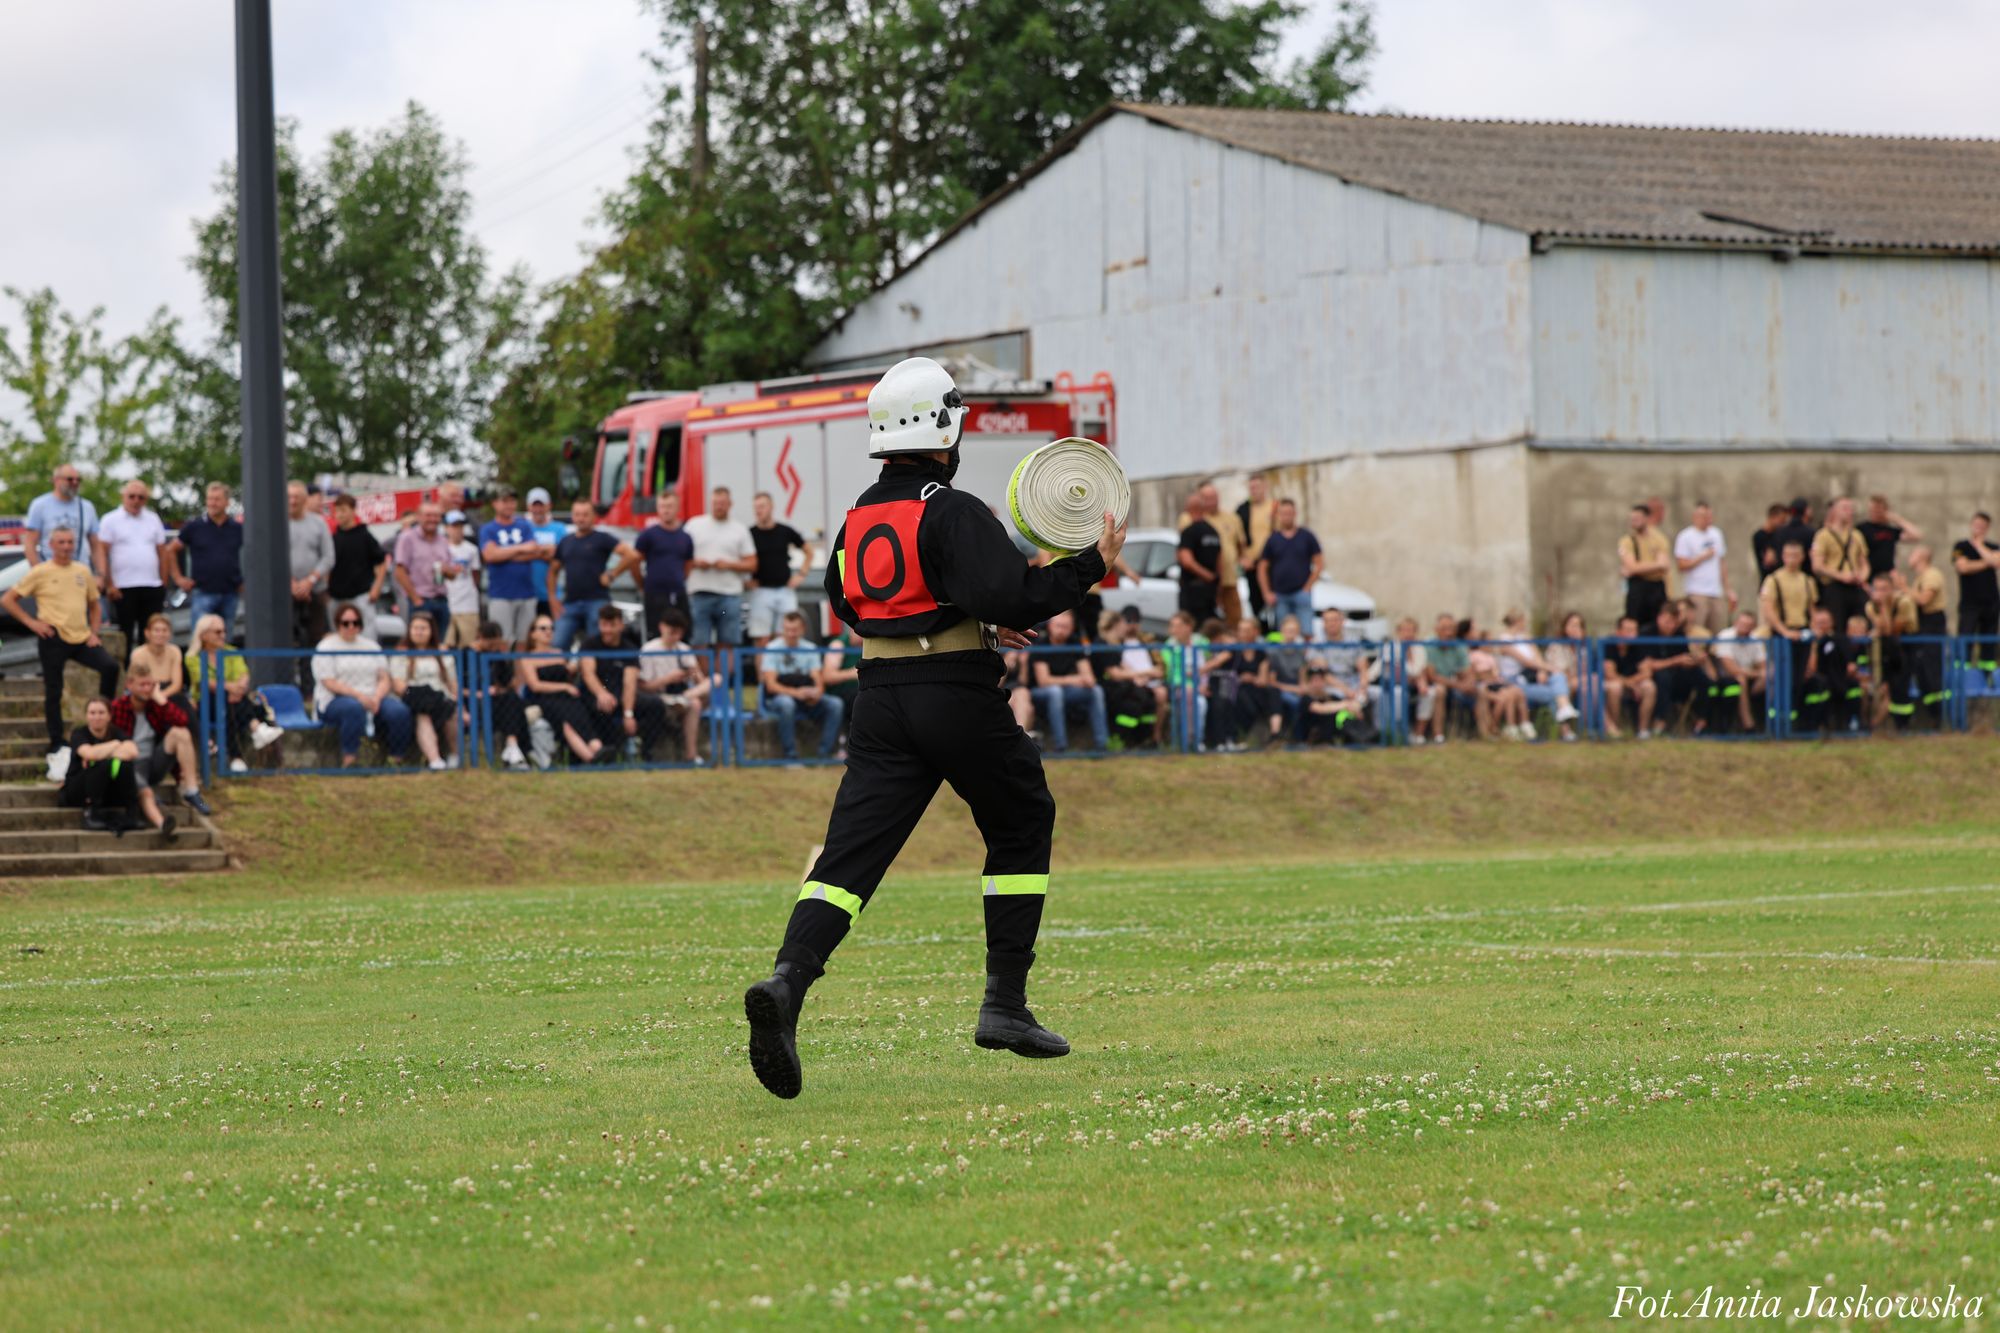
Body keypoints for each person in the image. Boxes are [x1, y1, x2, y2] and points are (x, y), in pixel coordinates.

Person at [743, 355, 1123, 1100]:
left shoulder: (858, 514)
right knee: (1022, 820)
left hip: (879, 699)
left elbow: (848, 603)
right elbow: (1011, 595)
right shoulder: (952, 507)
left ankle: (788, 981)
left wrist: (958, 613)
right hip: (954, 692)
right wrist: (1088, 566)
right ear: (945, 430)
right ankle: (1004, 1005)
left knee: (849, 859)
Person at [1, 526, 120, 782]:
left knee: (110, 667)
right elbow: (8, 599)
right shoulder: (41, 572)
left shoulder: (82, 570)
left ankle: (104, 724)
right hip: (52, 636)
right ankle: (56, 742)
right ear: (51, 544)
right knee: (53, 690)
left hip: (80, 636)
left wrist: (94, 631)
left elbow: (94, 604)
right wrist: (32, 623)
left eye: (70, 542)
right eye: (61, 542)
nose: (66, 546)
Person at [311, 606, 412, 767]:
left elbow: (384, 677)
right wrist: (359, 696)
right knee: (353, 708)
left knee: (399, 711)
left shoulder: (371, 646)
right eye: (346, 623)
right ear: (338, 624)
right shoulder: (326, 647)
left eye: (355, 622)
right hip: (335, 700)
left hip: (373, 697)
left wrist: (377, 698)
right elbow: (329, 682)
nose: (351, 626)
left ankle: (395, 760)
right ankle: (350, 760)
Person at [60, 697, 174, 837]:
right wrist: (114, 745)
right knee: (102, 764)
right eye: (92, 713)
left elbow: (132, 751)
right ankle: (91, 814)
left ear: (109, 716)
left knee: (124, 766)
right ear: (87, 716)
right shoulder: (79, 734)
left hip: (106, 790)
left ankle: (131, 813)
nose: (97, 717)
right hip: (79, 790)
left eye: (101, 712)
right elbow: (89, 753)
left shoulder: (116, 731)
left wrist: (100, 752)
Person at [109, 661, 211, 816]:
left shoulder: (155, 704)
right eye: (142, 685)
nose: (147, 689)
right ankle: (152, 802)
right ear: (129, 685)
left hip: (152, 763)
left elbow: (183, 720)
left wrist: (161, 699)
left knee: (180, 733)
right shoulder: (118, 707)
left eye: (150, 684)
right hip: (127, 765)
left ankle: (192, 791)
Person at [186, 612, 279, 772]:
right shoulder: (193, 657)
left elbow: (243, 675)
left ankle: (236, 757)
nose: (223, 635)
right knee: (222, 700)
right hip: (206, 703)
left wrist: (237, 689)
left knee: (229, 708)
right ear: (204, 635)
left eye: (224, 631)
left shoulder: (231, 651)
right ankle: (256, 728)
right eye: (218, 632)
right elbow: (204, 681)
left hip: (233, 702)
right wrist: (231, 688)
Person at [547, 499, 638, 653]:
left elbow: (631, 555)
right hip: (570, 603)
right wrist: (552, 598)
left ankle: (595, 676)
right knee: (557, 645)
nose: (581, 518)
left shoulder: (602, 538)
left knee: (596, 647)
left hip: (597, 601)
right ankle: (560, 676)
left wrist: (612, 574)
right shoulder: (566, 541)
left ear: (593, 516)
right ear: (573, 516)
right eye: (577, 514)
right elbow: (553, 571)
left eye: (585, 514)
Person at [514, 615, 603, 764]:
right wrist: (565, 686)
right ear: (533, 633)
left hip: (567, 697)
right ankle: (591, 757)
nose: (548, 632)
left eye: (551, 628)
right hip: (545, 699)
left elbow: (567, 674)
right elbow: (535, 685)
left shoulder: (559, 653)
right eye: (543, 628)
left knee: (581, 716)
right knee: (566, 723)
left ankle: (597, 748)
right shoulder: (527, 658)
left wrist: (574, 668)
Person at [758, 610, 845, 760]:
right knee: (787, 704)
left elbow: (818, 680)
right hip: (779, 698)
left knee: (835, 704)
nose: (791, 634)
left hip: (805, 698)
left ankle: (824, 754)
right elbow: (771, 685)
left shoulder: (810, 648)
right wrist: (797, 693)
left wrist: (817, 693)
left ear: (803, 629)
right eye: (787, 630)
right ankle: (790, 755)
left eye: (795, 630)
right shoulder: (772, 648)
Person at [97, 479, 173, 651]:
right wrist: (109, 584)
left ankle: (149, 674)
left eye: (141, 497)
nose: (136, 501)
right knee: (125, 634)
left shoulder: (153, 518)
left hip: (151, 585)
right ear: (123, 496)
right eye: (132, 496)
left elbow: (163, 552)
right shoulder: (110, 520)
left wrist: (163, 582)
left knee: (151, 634)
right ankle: (126, 674)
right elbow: (102, 553)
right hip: (123, 587)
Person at [578, 605, 660, 761]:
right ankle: (608, 753)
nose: (607, 630)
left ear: (621, 625)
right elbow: (588, 674)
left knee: (655, 705)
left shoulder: (629, 648)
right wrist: (602, 693)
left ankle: (646, 751)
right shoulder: (590, 644)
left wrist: (628, 713)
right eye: (603, 625)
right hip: (596, 695)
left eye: (612, 625)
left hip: (622, 695)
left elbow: (630, 683)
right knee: (600, 707)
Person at [685, 487, 757, 655]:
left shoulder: (739, 529)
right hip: (699, 592)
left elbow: (752, 564)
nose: (719, 506)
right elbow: (680, 556)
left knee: (728, 642)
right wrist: (696, 563)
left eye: (723, 503)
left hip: (729, 593)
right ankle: (707, 681)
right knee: (699, 641)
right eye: (716, 503)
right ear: (710, 503)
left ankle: (723, 680)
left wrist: (729, 565)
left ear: (730, 504)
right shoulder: (694, 525)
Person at [638, 607, 712, 764]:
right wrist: (668, 679)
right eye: (672, 632)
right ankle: (691, 754)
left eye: (679, 633)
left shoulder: (683, 649)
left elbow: (700, 682)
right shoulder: (649, 650)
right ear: (662, 627)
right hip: (660, 697)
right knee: (695, 703)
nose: (675, 637)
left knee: (714, 681)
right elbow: (644, 687)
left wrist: (694, 673)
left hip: (684, 695)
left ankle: (691, 755)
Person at [1028, 610, 1109, 753]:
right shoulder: (1041, 644)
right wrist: (1073, 679)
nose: (1061, 630)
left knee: (1096, 690)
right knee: (1055, 691)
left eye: (1065, 627)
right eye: (1058, 626)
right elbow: (1044, 681)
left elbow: (1089, 678)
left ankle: (1101, 745)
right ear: (1050, 625)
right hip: (1039, 692)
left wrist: (1086, 680)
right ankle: (1060, 746)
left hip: (1066, 690)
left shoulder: (1075, 642)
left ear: (1072, 628)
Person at [390, 611, 461, 770]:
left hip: (440, 697)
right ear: (409, 630)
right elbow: (398, 685)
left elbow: (452, 682)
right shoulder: (401, 652)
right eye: (415, 628)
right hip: (412, 695)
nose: (419, 632)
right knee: (423, 713)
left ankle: (456, 755)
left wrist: (461, 704)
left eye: (424, 628)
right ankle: (434, 759)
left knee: (452, 710)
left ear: (432, 631)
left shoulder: (442, 652)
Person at [1495, 610, 1580, 740]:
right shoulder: (1504, 640)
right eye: (1524, 620)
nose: (1526, 623)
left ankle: (1564, 711)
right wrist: (1551, 668)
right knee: (1556, 693)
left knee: (1558, 679)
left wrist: (1543, 671)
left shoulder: (1525, 637)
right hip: (1515, 683)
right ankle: (1566, 730)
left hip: (1532, 678)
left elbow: (1538, 660)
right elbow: (1527, 662)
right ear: (1518, 621)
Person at [170, 482, 244, 631]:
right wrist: (178, 578)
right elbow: (171, 549)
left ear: (227, 502)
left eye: (217, 499)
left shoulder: (237, 528)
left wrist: (245, 581)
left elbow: (251, 555)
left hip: (230, 592)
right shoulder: (195, 527)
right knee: (200, 638)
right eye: (210, 499)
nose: (212, 503)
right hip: (202, 592)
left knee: (224, 639)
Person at [477, 486, 541, 649]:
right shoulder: (488, 529)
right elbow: (490, 556)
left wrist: (503, 553)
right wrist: (520, 548)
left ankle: (520, 675)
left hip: (526, 593)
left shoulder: (524, 526)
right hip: (501, 594)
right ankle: (506, 674)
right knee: (502, 641)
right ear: (495, 504)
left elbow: (534, 551)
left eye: (512, 501)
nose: (509, 505)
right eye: (504, 501)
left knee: (524, 641)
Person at [747, 492, 812, 647]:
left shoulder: (784, 531)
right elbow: (741, 558)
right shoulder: (750, 534)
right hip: (761, 590)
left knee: (785, 636)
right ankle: (762, 672)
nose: (759, 511)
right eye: (756, 508)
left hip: (785, 590)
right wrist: (745, 581)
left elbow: (809, 551)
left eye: (762, 506)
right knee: (761, 638)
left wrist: (802, 574)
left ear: (771, 507)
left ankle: (782, 671)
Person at [1760, 538, 1817, 713]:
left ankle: (1793, 717)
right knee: (1781, 677)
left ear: (1802, 557)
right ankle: (1776, 718)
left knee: (1799, 678)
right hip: (1781, 634)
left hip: (1802, 632)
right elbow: (1768, 609)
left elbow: (1812, 612)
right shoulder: (1773, 579)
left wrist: (1813, 643)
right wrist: (1784, 631)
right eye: (1788, 555)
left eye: (1795, 555)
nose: (1791, 559)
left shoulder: (1807, 581)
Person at [1095, 611, 1168, 747]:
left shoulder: (1116, 645)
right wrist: (1147, 671)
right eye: (1124, 623)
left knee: (1149, 698)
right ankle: (1119, 739)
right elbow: (1114, 674)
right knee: (1133, 705)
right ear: (1116, 625)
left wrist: (1140, 677)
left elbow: (1125, 667)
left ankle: (1146, 739)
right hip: (1107, 689)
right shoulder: (1102, 644)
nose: (1126, 628)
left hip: (1120, 687)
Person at [632, 489, 695, 642]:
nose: (666, 510)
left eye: (669, 506)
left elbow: (688, 564)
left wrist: (679, 579)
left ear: (677, 508)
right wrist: (642, 584)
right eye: (662, 506)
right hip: (654, 593)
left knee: (683, 633)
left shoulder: (685, 537)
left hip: (678, 592)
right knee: (656, 634)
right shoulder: (648, 535)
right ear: (657, 509)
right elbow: (634, 561)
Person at [324, 493, 388, 640]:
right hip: (335, 596)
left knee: (367, 635)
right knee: (337, 637)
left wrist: (376, 589)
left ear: (353, 510)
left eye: (343, 510)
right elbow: (327, 567)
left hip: (361, 595)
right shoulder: (333, 538)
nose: (339, 515)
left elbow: (382, 561)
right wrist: (326, 590)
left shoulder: (364, 535)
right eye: (337, 511)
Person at [471, 621, 533, 770]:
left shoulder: (497, 655)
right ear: (480, 637)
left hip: (498, 698)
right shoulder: (467, 654)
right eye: (490, 644)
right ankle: (521, 752)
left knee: (512, 699)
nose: (494, 648)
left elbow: (508, 682)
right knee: (513, 703)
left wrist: (512, 669)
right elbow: (459, 686)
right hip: (474, 700)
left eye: (496, 644)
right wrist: (479, 692)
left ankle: (512, 747)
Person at [1637, 603, 1703, 737]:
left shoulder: (1679, 634)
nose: (1671, 626)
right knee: (1663, 677)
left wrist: (1694, 660)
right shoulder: (1646, 633)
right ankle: (1659, 721)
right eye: (1667, 622)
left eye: (1674, 622)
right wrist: (1675, 661)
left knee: (1702, 678)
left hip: (1678, 676)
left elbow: (1684, 658)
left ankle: (1703, 720)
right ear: (1659, 618)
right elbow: (1647, 664)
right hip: (1656, 677)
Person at [1257, 499, 1322, 632]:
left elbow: (1319, 563)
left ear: (1295, 513)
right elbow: (1262, 568)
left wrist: (1307, 587)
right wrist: (1267, 592)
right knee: (1284, 633)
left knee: (1306, 631)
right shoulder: (1273, 539)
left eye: (1289, 513)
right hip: (1280, 595)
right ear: (1279, 515)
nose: (1286, 516)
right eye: (1283, 513)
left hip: (1301, 593)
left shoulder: (1307, 536)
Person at [392, 501, 457, 631]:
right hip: (420, 600)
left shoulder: (443, 540)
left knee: (440, 644)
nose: (432, 519)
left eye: (436, 516)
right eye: (428, 515)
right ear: (419, 516)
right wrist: (416, 599)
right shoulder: (407, 538)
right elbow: (399, 572)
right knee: (419, 646)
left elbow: (452, 574)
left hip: (441, 600)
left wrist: (447, 570)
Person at [1865, 572, 1918, 731]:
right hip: (1886, 650)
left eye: (1885, 589)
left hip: (1906, 647)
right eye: (1877, 589)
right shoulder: (1870, 605)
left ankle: (1903, 725)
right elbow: (1882, 627)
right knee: (1885, 687)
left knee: (1901, 687)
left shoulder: (1904, 602)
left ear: (1892, 588)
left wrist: (1884, 607)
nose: (1880, 593)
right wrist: (1881, 610)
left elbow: (1891, 630)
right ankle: (1879, 725)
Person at [1812, 497, 1871, 637]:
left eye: (1851, 508)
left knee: (1861, 622)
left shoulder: (1856, 535)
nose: (1849, 512)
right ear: (1834, 511)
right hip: (1835, 586)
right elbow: (1817, 565)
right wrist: (1841, 576)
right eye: (1845, 508)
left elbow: (1864, 562)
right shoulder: (1823, 535)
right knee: (1837, 624)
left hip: (1855, 585)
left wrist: (1862, 575)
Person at [1188, 483, 1247, 624]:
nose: (1211, 501)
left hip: (1229, 579)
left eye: (1214, 497)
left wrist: (1242, 561)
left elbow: (1241, 547)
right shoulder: (1191, 519)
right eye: (1206, 498)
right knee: (1210, 623)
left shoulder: (1232, 519)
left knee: (1235, 620)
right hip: (1205, 583)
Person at [22, 463, 101, 568]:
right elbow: (30, 543)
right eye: (70, 479)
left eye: (78, 479)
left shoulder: (86, 507)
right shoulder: (40, 505)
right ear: (56, 480)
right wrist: (38, 571)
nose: (75, 482)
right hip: (50, 573)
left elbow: (96, 545)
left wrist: (100, 574)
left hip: (79, 572)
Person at [1673, 502, 1735, 633]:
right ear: (1695, 517)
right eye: (1704, 516)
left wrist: (1728, 589)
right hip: (1697, 591)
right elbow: (1681, 565)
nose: (1708, 519)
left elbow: (1721, 562)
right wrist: (1702, 557)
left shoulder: (1716, 534)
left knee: (1717, 630)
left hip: (1716, 591)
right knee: (1697, 631)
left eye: (1709, 516)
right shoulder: (1686, 536)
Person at [288, 481, 334, 653]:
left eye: (297, 497)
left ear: (305, 499)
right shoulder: (277, 524)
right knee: (288, 640)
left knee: (317, 641)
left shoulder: (319, 523)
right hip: (287, 592)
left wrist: (309, 581)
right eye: (289, 497)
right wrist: (291, 583)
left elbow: (328, 557)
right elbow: (271, 555)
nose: (293, 501)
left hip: (315, 591)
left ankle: (312, 679)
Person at [1905, 546, 1949, 723]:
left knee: (1932, 671)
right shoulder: (1920, 578)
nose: (1910, 556)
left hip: (1933, 623)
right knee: (1922, 671)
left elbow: (1924, 599)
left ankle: (1941, 717)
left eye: (1913, 553)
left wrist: (1902, 587)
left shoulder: (1932, 574)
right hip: (1922, 625)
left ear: (1922, 557)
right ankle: (1933, 716)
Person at [1952, 512, 2000, 672]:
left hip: (1991, 601)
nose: (1978, 528)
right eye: (1976, 524)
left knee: (1988, 639)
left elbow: (1996, 562)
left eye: (1982, 526)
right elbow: (1962, 567)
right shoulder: (1961, 546)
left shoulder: (1992, 546)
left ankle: (1987, 674)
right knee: (1966, 636)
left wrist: (1979, 546)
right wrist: (1987, 561)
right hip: (1969, 602)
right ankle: (1962, 672)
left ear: (1986, 528)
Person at [1618, 502, 1671, 627]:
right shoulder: (1627, 541)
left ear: (1647, 518)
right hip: (1637, 589)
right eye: (1632, 519)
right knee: (1634, 624)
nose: (1634, 522)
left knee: (1656, 625)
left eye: (1637, 518)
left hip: (1656, 589)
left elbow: (1664, 565)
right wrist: (1655, 565)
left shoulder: (1659, 539)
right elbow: (1632, 567)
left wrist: (1637, 567)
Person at [1600, 616, 1653, 740]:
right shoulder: (1609, 644)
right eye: (1628, 630)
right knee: (1615, 688)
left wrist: (1632, 682)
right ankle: (1615, 730)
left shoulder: (1638, 645)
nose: (1632, 634)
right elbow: (1609, 674)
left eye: (1635, 630)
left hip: (1633, 683)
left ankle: (1643, 730)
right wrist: (1628, 683)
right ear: (1618, 631)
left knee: (1649, 686)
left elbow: (1647, 672)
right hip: (1614, 684)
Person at [1236, 474, 1278, 627]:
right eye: (1251, 487)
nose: (1254, 491)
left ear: (1265, 487)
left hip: (1271, 564)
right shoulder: (1243, 510)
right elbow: (1236, 539)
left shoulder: (1274, 507)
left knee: (1274, 603)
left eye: (1257, 487)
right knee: (1257, 603)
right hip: (1252, 565)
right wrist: (1242, 558)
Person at [1176, 491, 1223, 624]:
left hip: (1192, 592)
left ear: (1189, 509)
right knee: (1209, 629)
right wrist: (1215, 583)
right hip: (1210, 592)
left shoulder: (1188, 532)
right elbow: (1220, 564)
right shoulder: (1213, 531)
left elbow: (1187, 561)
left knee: (1191, 628)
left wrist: (1207, 576)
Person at [128, 613, 187, 715]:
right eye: (156, 630)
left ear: (169, 634)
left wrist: (161, 696)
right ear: (147, 633)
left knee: (183, 705)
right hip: (146, 691)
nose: (161, 634)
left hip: (169, 692)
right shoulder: (138, 653)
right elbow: (137, 682)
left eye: (164, 630)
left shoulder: (175, 651)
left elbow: (177, 684)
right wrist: (154, 696)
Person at [523, 487, 568, 617]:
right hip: (527, 595)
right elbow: (519, 553)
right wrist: (547, 551)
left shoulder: (559, 528)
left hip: (552, 595)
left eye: (541, 505)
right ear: (528, 507)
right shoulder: (523, 527)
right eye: (534, 506)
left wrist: (532, 550)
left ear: (549, 506)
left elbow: (561, 555)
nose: (538, 510)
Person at [441, 511, 483, 648]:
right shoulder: (441, 548)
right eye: (453, 526)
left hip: (468, 602)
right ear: (446, 528)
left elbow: (476, 573)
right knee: (447, 642)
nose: (457, 530)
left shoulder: (471, 549)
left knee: (468, 642)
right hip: (447, 600)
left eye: (460, 526)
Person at [1858, 496, 1921, 580]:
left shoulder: (1890, 530)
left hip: (1888, 576)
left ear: (1885, 510)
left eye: (1878, 509)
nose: (1875, 512)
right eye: (1872, 509)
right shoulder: (1861, 528)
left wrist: (1896, 519)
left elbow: (1917, 535)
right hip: (1868, 575)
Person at [1750, 503, 1788, 592]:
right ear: (1773, 517)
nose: (1783, 524)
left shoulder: (1780, 535)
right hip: (1767, 583)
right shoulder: (1759, 536)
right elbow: (1767, 560)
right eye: (1781, 521)